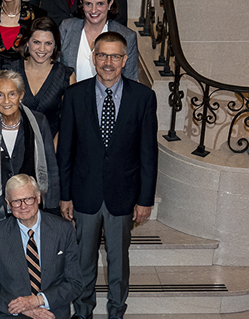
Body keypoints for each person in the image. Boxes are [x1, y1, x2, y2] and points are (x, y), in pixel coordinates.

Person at [58, 31, 158, 319]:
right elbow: (65, 151)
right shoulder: (75, 95)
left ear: (125, 60)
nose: (108, 62)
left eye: (115, 56)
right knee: (84, 262)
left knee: (118, 261)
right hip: (84, 194)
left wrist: (145, 199)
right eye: (103, 55)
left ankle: (117, 311)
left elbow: (148, 154)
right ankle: (84, 311)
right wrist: (65, 195)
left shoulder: (143, 97)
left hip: (123, 195)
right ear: (94, 57)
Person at [0, 174, 81, 319]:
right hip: (8, 313)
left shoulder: (63, 230)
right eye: (16, 201)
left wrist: (37, 300)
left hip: (50, 311)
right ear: (8, 204)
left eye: (28, 199)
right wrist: (25, 309)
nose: (23, 206)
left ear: (38, 198)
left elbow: (74, 283)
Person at [0, 70, 59, 235]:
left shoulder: (38, 122)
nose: (6, 101)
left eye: (12, 94)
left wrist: (52, 209)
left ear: (21, 95)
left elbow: (50, 168)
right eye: (0, 95)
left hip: (32, 208)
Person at [9, 17, 76, 140]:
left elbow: (69, 121)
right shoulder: (11, 71)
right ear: (27, 42)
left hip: (50, 148)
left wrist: (53, 151)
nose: (42, 49)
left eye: (48, 43)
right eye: (36, 42)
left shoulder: (66, 76)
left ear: (55, 45)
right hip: (14, 147)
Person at [59, 0, 138, 82]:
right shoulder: (67, 28)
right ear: (81, 4)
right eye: (88, 4)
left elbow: (129, 80)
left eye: (100, 4)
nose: (93, 10)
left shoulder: (127, 36)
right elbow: (55, 70)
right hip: (70, 96)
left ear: (110, 4)